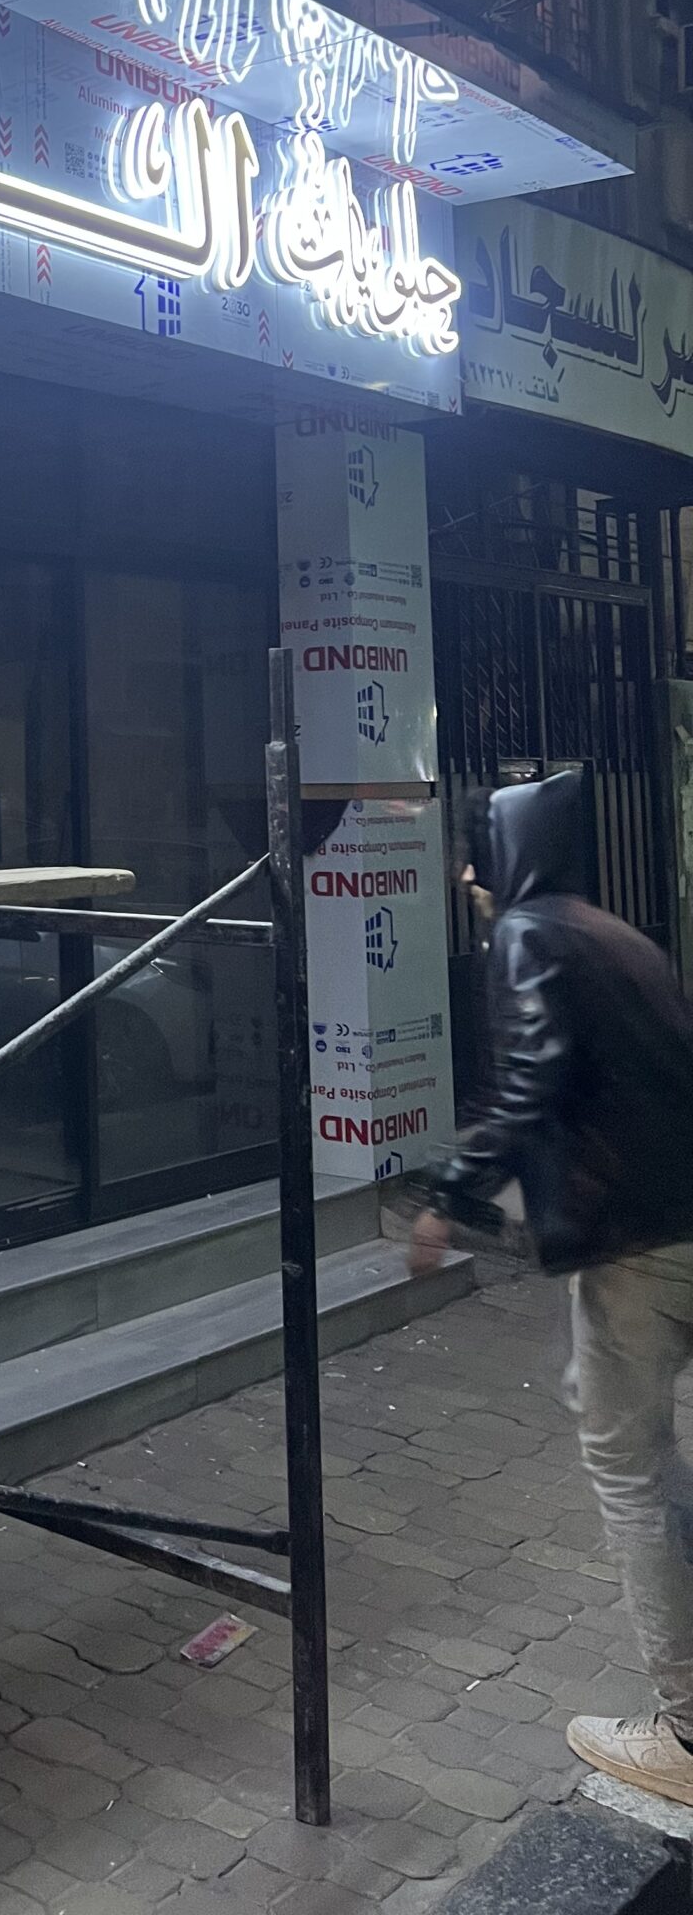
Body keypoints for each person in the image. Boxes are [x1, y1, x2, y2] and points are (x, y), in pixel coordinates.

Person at [410, 770, 693, 1805]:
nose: (467, 879)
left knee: (626, 1466)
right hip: (681, 1221)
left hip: (636, 1243)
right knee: (639, 1441)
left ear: (506, 853)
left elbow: (531, 1074)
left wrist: (450, 1193)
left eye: (474, 856)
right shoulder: (619, 937)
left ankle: (687, 1733)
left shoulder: (528, 935)